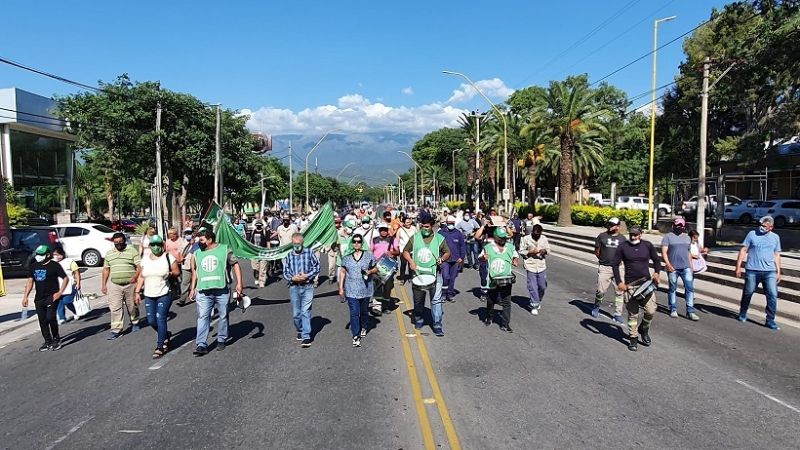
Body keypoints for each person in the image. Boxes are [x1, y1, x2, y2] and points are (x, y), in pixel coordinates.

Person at [190, 230, 244, 355]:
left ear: (210, 240)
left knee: (223, 314)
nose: (200, 243)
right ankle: (201, 344)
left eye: (202, 240)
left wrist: (239, 283)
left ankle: (221, 338)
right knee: (203, 316)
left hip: (222, 289)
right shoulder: (197, 253)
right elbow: (196, 272)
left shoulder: (224, 249)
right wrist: (192, 288)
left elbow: (235, 264)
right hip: (203, 290)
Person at [612, 226, 662, 352]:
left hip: (646, 285)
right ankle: (633, 339)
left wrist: (657, 273)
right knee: (632, 315)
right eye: (631, 234)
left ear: (641, 234)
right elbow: (615, 264)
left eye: (635, 234)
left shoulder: (647, 245)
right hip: (630, 286)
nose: (633, 237)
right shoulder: (623, 247)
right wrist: (619, 282)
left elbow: (657, 260)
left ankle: (644, 329)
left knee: (650, 311)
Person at [402, 216, 451, 336]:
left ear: (432, 226)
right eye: (423, 226)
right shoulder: (415, 238)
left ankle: (437, 324)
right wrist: (411, 261)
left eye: (427, 227)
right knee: (419, 300)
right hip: (418, 275)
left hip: (435, 274)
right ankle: (418, 317)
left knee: (436, 300)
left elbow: (448, 253)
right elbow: (405, 251)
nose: (424, 229)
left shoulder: (440, 239)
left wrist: (442, 259)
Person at [134, 235, 180, 359]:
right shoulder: (145, 259)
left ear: (162, 245)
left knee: (160, 319)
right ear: (149, 246)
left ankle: (160, 346)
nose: (156, 247)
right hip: (149, 294)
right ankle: (165, 334)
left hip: (164, 293)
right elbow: (141, 276)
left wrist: (170, 273)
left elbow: (177, 272)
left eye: (158, 244)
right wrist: (137, 292)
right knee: (151, 321)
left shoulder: (168, 257)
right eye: (153, 245)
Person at [735, 215, 782, 330]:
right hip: (752, 270)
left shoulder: (775, 237)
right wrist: (738, 266)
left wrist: (778, 271)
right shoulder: (752, 234)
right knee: (748, 292)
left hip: (769, 271)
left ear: (770, 227)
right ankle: (743, 312)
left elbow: (777, 255)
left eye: (764, 226)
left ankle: (770, 320)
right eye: (760, 225)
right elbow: (744, 250)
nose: (761, 227)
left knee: (772, 295)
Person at [22, 245, 69, 351]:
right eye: (38, 254)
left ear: (48, 255)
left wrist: (60, 292)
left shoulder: (54, 265)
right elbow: (30, 281)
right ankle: (47, 340)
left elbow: (65, 278)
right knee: (42, 320)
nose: (39, 256)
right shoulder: (33, 266)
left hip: (52, 296)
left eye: (41, 254)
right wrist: (25, 297)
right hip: (39, 298)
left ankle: (56, 338)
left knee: (50, 317)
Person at [339, 234, 378, 347]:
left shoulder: (368, 255)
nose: (356, 243)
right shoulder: (346, 257)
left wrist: (369, 272)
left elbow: (376, 268)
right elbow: (342, 272)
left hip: (365, 289)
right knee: (354, 313)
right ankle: (355, 335)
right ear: (352, 243)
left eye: (359, 241)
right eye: (354, 241)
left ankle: (364, 326)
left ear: (362, 243)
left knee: (364, 311)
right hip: (351, 289)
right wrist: (341, 288)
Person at [102, 233, 142, 340]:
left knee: (132, 306)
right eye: (116, 243)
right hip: (115, 285)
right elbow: (106, 269)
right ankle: (116, 330)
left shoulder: (132, 251)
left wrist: (135, 276)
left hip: (130, 284)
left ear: (124, 241)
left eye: (120, 242)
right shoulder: (109, 254)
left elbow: (139, 266)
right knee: (115, 308)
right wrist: (103, 284)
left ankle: (135, 322)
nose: (118, 245)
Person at [283, 233, 320, 348]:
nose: (296, 246)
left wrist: (307, 275)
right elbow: (285, 271)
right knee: (296, 314)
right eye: (294, 244)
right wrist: (292, 278)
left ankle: (306, 336)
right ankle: (300, 329)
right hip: (294, 286)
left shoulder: (309, 253)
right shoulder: (289, 255)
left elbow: (317, 267)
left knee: (305, 311)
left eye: (298, 244)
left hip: (307, 286)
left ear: (302, 243)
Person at [480, 228, 520, 332]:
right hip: (493, 279)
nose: (503, 240)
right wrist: (483, 258)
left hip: (506, 279)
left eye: (504, 238)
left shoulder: (510, 247)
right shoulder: (488, 247)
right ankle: (489, 317)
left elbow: (515, 257)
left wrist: (515, 261)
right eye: (501, 238)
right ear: (496, 237)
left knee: (506, 301)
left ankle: (505, 324)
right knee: (491, 300)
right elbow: (480, 257)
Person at [661, 217, 699, 321]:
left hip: (686, 267)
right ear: (674, 225)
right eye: (678, 225)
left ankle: (690, 311)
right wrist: (668, 264)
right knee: (672, 288)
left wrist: (691, 266)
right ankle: (673, 309)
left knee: (690, 289)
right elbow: (664, 252)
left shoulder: (687, 237)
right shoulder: (668, 237)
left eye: (682, 225)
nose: (680, 227)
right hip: (673, 267)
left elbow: (688, 253)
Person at [592, 218, 626, 324]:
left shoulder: (623, 239)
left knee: (620, 292)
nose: (610, 226)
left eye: (613, 224)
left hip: (618, 268)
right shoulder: (602, 236)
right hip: (605, 267)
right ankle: (596, 306)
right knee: (600, 290)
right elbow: (597, 251)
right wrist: (603, 260)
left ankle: (618, 314)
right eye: (609, 224)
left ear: (618, 227)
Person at [370, 223, 400, 314]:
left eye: (385, 229)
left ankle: (385, 306)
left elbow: (398, 251)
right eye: (381, 229)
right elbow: (370, 252)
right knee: (378, 285)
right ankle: (377, 306)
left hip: (388, 265)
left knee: (387, 286)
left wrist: (391, 252)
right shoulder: (374, 240)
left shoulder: (392, 239)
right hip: (377, 265)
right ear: (379, 230)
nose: (383, 231)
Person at [520, 224, 549, 315]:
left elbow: (548, 249)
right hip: (530, 265)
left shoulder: (544, 238)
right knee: (532, 286)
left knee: (542, 286)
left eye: (538, 234)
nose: (537, 235)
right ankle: (534, 305)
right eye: (535, 234)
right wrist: (530, 252)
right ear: (532, 232)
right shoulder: (526, 239)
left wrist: (544, 251)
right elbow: (521, 251)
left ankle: (538, 299)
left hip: (541, 265)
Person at [438, 215, 466, 303]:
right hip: (444, 260)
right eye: (449, 223)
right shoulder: (441, 233)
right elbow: (436, 246)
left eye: (452, 223)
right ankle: (443, 294)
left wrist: (461, 257)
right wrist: (439, 257)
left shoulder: (458, 233)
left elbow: (462, 246)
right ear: (446, 223)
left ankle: (450, 294)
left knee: (452, 278)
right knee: (445, 277)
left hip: (455, 260)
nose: (450, 225)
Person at [53, 247, 81, 324]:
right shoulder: (53, 263)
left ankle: (76, 311)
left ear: (62, 254)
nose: (56, 256)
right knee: (59, 302)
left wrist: (78, 283)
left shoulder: (69, 262)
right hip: (57, 286)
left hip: (70, 285)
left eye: (58, 255)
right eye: (54, 255)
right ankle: (62, 317)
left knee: (67, 301)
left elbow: (76, 272)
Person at [177, 228, 198, 306]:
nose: (188, 234)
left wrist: (193, 244)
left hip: (196, 264)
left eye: (189, 233)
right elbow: (180, 252)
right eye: (187, 233)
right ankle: (182, 299)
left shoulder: (197, 241)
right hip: (185, 264)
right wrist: (180, 259)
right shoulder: (182, 242)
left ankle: (195, 295)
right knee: (185, 282)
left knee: (196, 281)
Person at [396, 216, 417, 285]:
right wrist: (398, 250)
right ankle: (402, 279)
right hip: (403, 251)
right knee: (403, 265)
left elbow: (418, 238)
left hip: (412, 250)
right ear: (403, 223)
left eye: (409, 222)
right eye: (407, 222)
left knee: (411, 264)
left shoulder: (414, 228)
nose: (409, 223)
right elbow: (397, 240)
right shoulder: (400, 230)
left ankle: (411, 277)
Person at [250, 220, 270, 288]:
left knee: (263, 268)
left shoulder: (265, 232)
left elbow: (268, 241)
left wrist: (269, 251)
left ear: (261, 225)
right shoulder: (253, 232)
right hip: (255, 252)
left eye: (260, 225)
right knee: (255, 267)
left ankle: (262, 282)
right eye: (257, 225)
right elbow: (250, 242)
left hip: (263, 252)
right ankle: (256, 277)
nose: (258, 226)